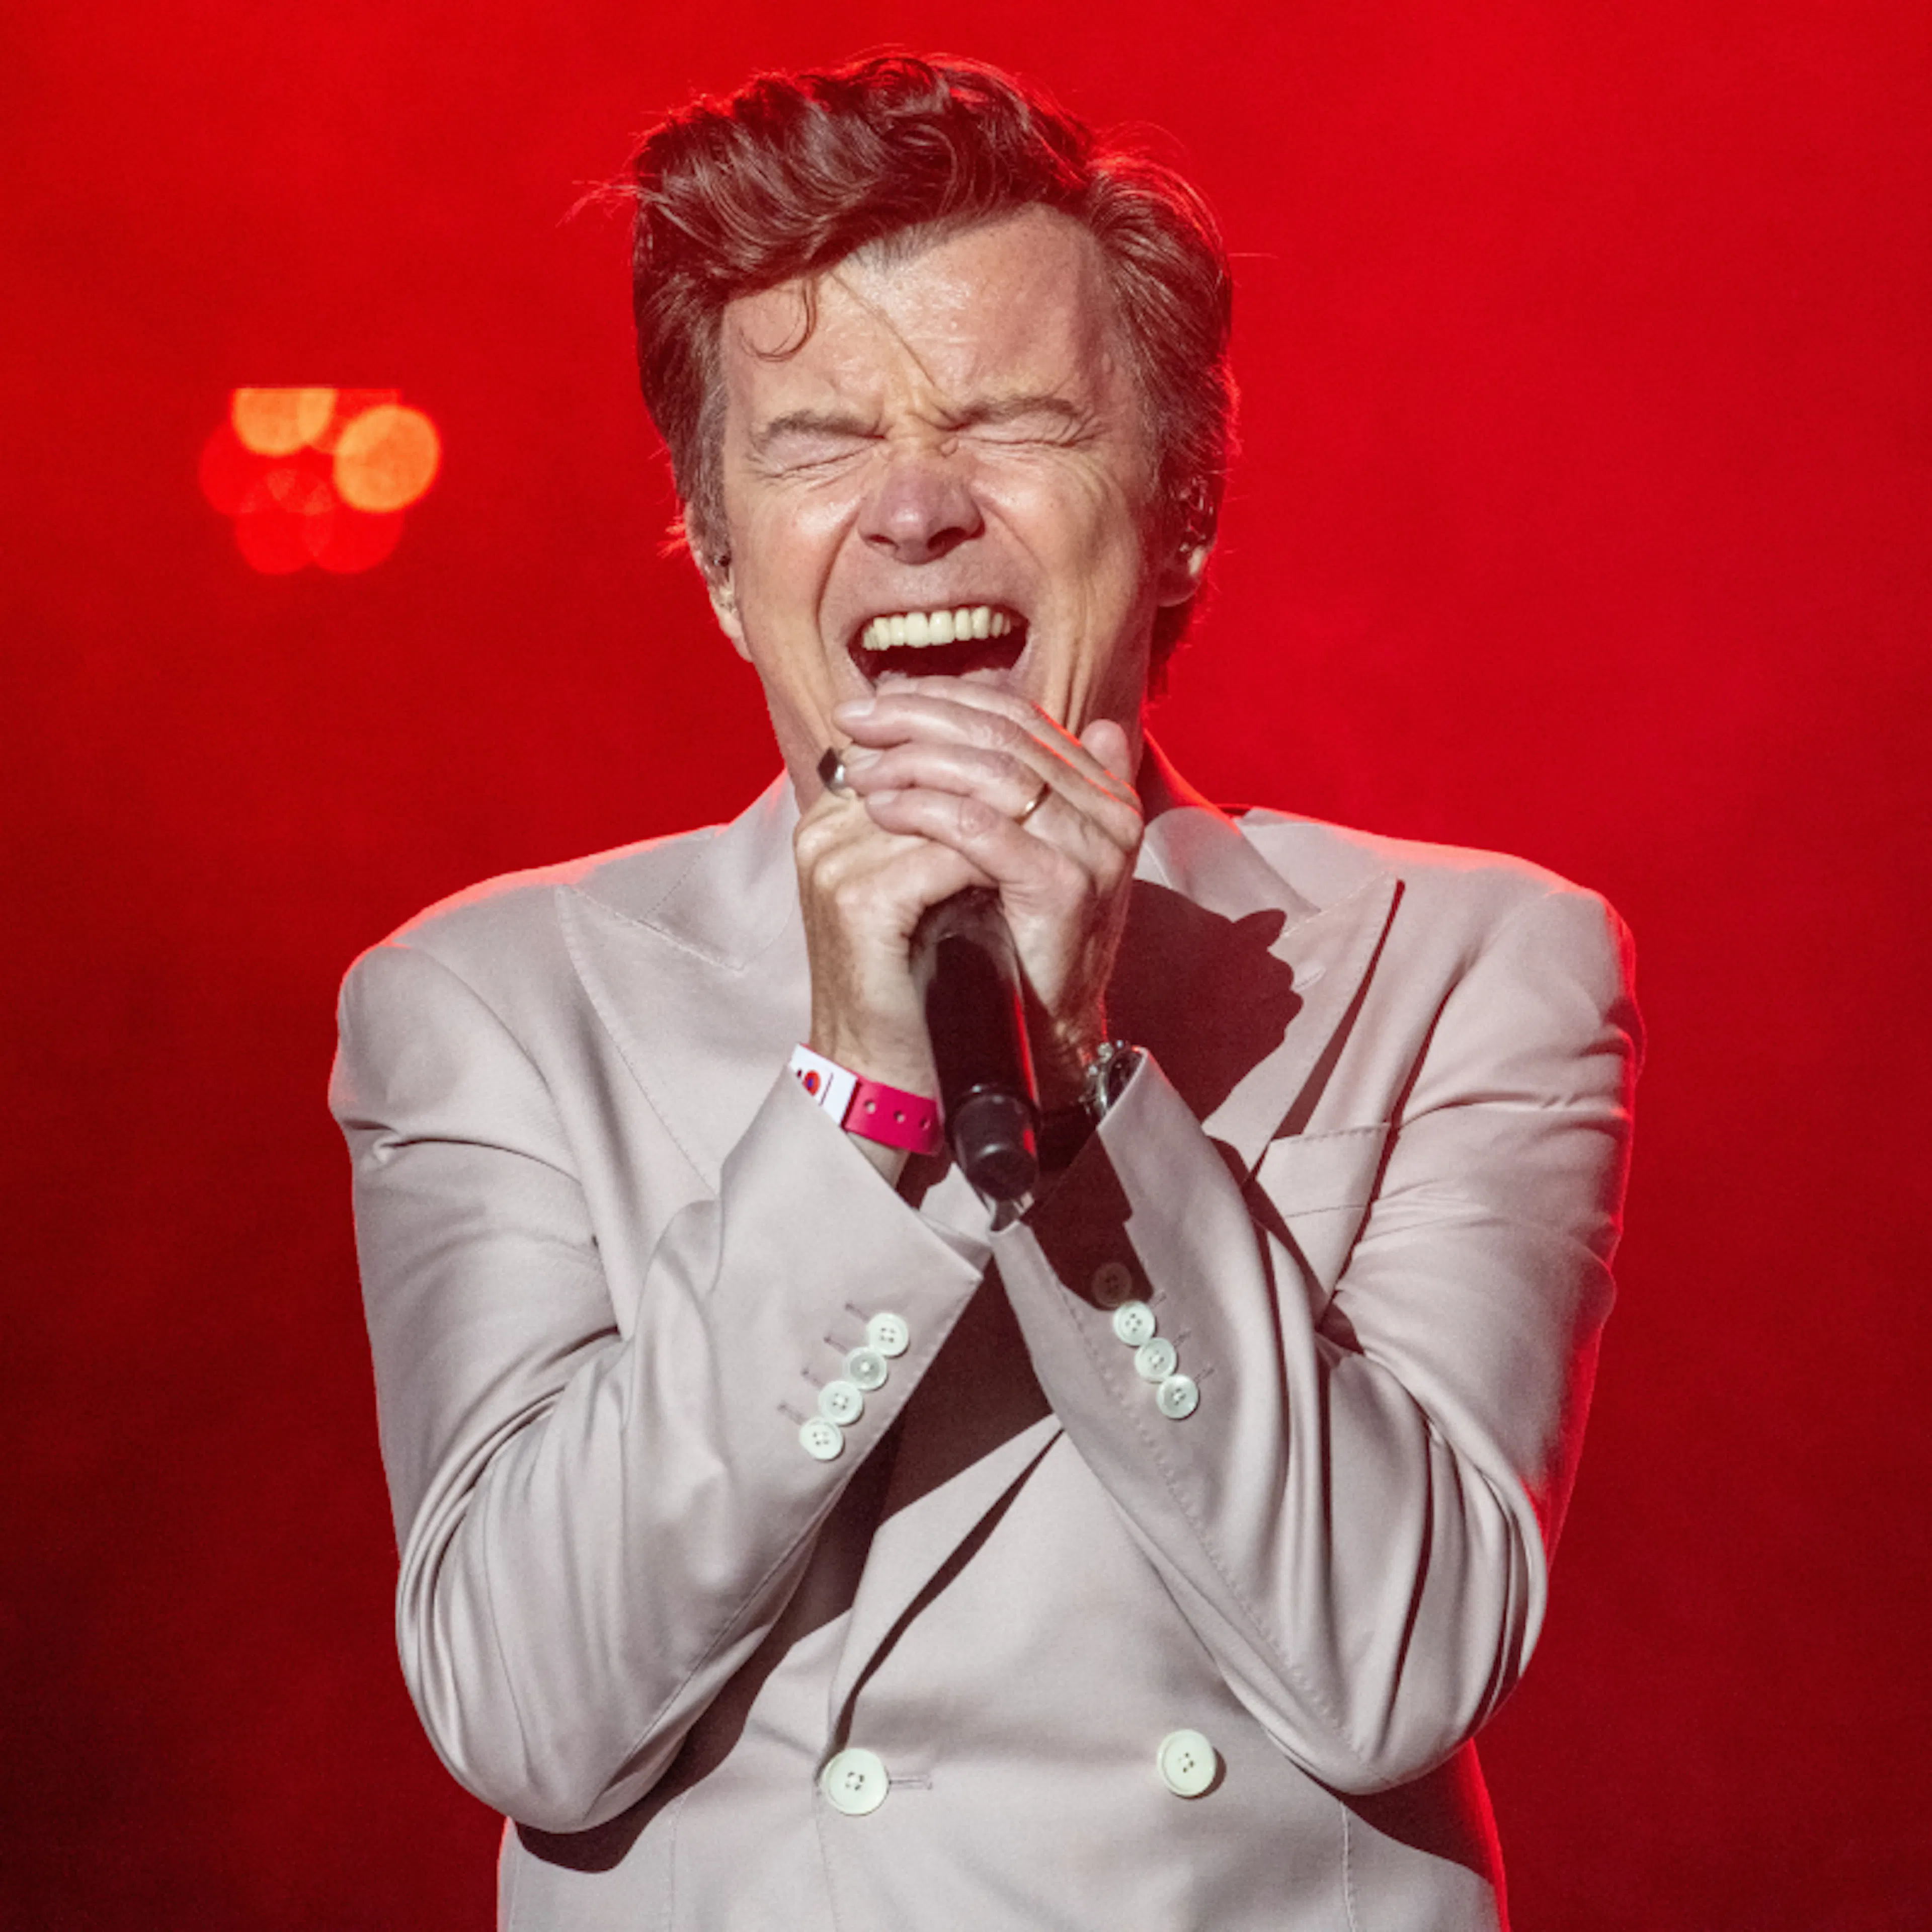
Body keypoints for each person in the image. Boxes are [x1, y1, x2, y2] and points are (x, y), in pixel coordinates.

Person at [330, 53, 1640, 1931]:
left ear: (1181, 514)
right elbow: (534, 1714)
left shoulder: (1470, 962)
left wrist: (1085, 1086)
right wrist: (861, 1112)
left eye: (1011, 420)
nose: (917, 507)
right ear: (716, 558)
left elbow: (1398, 1662)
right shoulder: (489, 1002)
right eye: (817, 442)